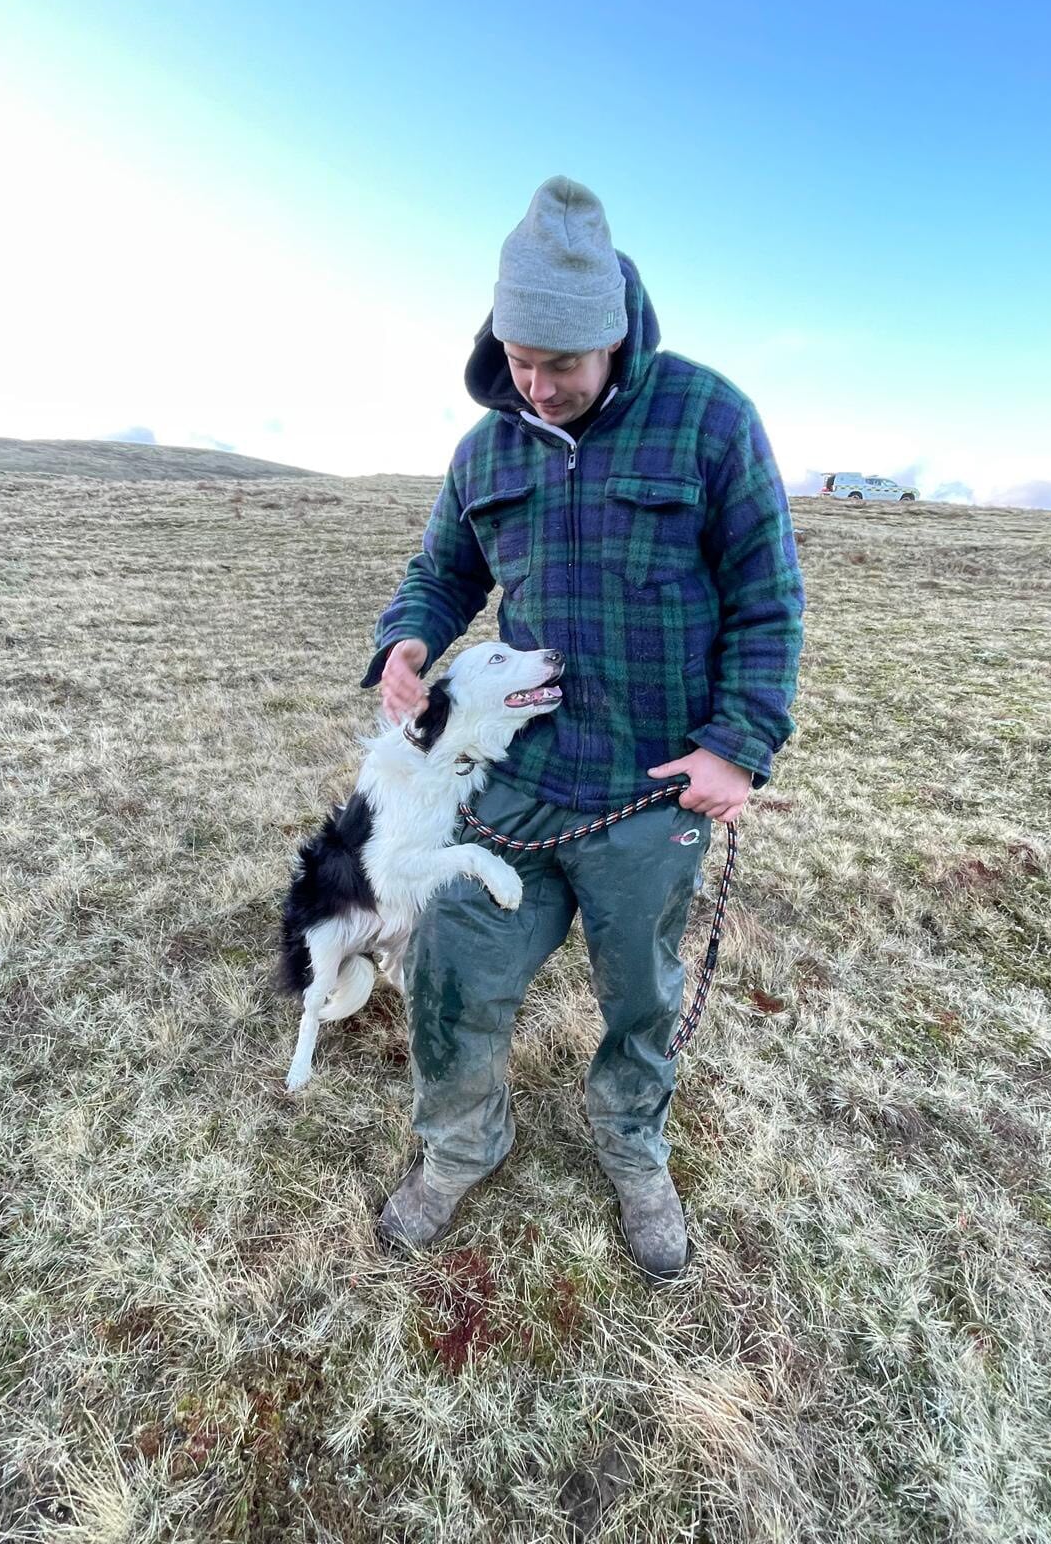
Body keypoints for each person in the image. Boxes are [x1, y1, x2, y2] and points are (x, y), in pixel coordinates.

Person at [361, 176, 804, 1279]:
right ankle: (460, 1147)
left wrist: (737, 745)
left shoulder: (710, 419)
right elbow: (440, 570)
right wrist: (408, 643)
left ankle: (631, 1143)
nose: (536, 384)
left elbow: (767, 597)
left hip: (654, 791)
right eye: (518, 359)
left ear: (612, 336)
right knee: (454, 967)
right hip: (511, 786)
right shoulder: (488, 450)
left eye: (560, 364)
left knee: (639, 992)